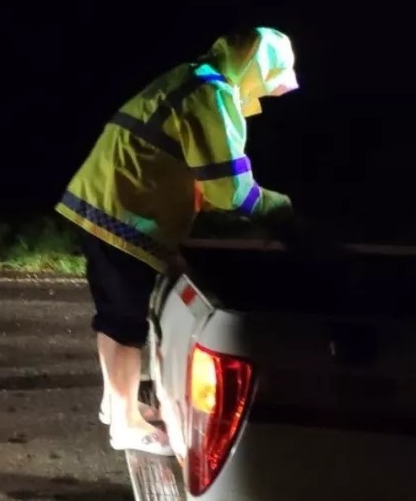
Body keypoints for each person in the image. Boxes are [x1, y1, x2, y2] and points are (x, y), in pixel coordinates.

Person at [56, 27, 299, 455]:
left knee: (113, 315)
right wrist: (282, 209)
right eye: (269, 82)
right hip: (123, 213)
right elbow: (232, 192)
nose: (265, 96)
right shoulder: (213, 96)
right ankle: (127, 423)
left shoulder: (192, 77)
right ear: (256, 70)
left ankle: (118, 404)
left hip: (98, 203)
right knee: (125, 321)